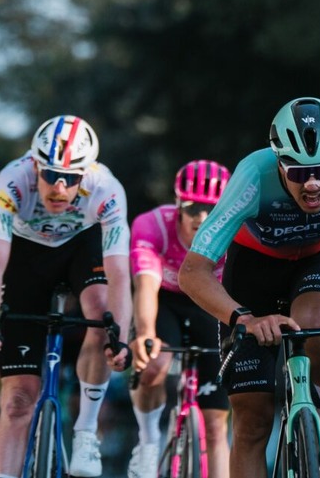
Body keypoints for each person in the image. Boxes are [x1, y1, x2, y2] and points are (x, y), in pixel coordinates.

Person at [179, 97, 320, 478]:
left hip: (318, 260)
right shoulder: (254, 175)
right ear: (279, 163)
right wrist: (244, 319)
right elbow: (192, 272)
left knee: (316, 321)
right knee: (252, 420)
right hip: (254, 270)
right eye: (299, 173)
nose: (313, 183)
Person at [0, 114, 132, 478]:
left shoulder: (107, 189)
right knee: (17, 401)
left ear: (85, 173)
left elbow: (119, 273)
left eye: (71, 178)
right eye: (50, 175)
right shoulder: (12, 181)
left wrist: (121, 337)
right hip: (26, 255)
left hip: (81, 248)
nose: (59, 187)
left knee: (101, 314)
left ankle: (86, 431)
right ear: (35, 166)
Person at [128, 159, 232, 478]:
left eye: (211, 209)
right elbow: (145, 286)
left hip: (210, 303)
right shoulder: (153, 225)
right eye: (193, 208)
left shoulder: (238, 232)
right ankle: (148, 441)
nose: (202, 218)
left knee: (216, 425)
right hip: (164, 301)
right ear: (178, 205)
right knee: (154, 364)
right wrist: (145, 333)